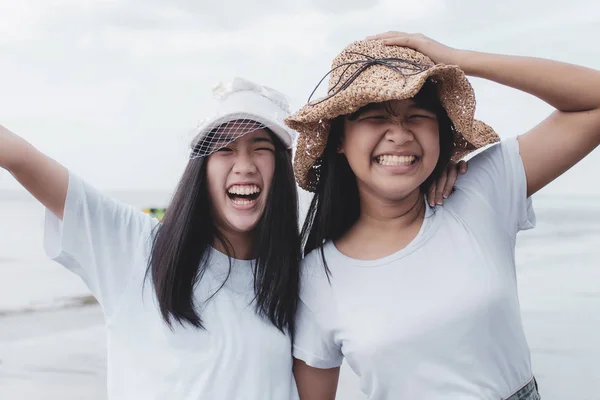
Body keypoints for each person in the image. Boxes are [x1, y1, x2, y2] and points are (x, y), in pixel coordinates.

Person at [285, 34, 600, 400]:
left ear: (440, 131)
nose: (399, 135)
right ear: (339, 139)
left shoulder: (482, 190)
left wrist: (459, 59)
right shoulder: (315, 277)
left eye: (417, 115)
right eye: (374, 117)